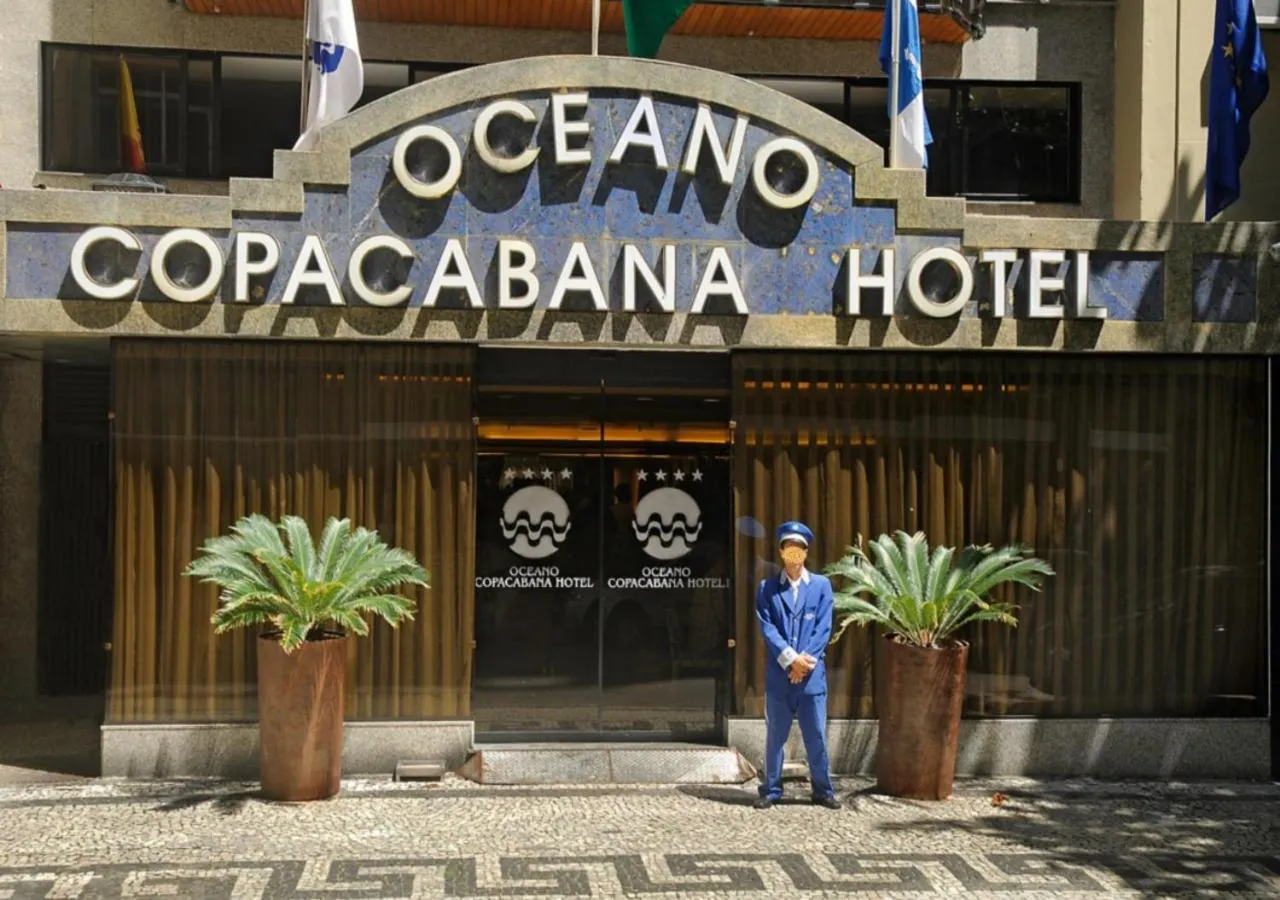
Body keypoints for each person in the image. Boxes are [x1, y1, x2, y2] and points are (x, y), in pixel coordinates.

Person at [752, 520, 839, 810]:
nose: (794, 553)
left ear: (806, 552)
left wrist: (803, 665)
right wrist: (791, 660)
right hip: (780, 677)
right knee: (775, 736)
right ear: (780, 552)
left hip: (811, 678)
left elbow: (823, 630)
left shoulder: (822, 586)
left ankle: (823, 789)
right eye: (789, 547)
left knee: (816, 735)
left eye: (799, 548)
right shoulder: (766, 589)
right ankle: (772, 789)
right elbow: (768, 629)